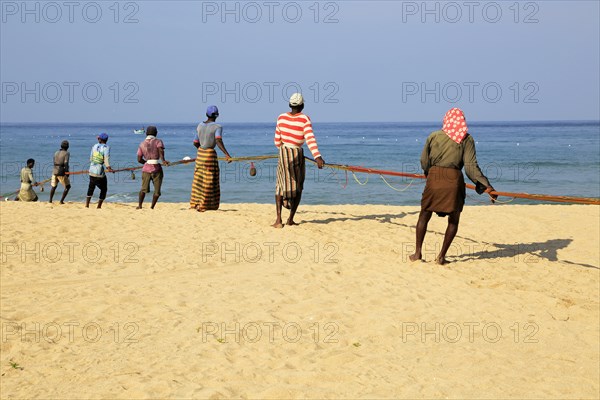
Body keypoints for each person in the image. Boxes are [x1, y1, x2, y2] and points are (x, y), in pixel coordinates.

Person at [409, 108, 498, 265]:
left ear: (446, 120)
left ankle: (417, 253)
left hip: (434, 179)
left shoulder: (433, 136)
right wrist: (486, 185)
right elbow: (471, 167)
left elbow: (424, 161)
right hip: (453, 181)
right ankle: (441, 257)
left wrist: (429, 174)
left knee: (424, 215)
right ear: (462, 121)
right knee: (453, 220)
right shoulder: (466, 139)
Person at [272, 93, 325, 228]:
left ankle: (278, 220)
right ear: (302, 105)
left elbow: (277, 141)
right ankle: (290, 219)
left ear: (290, 105)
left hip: (283, 152)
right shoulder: (304, 119)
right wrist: (317, 157)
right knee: (298, 186)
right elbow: (310, 139)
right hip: (296, 153)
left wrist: (284, 148)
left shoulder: (281, 117)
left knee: (280, 184)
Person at [190, 105, 232, 212]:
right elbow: (218, 140)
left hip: (200, 154)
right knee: (209, 180)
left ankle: (195, 203)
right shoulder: (217, 127)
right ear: (217, 115)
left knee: (198, 179)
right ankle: (204, 205)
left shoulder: (199, 125)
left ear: (206, 114)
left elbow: (195, 142)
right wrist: (227, 154)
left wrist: (201, 149)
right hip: (209, 155)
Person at [136, 126, 169, 209]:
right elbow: (161, 150)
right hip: (157, 168)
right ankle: (152, 207)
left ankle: (140, 206)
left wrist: (146, 163)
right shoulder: (158, 141)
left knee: (143, 189)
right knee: (157, 191)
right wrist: (163, 160)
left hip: (146, 169)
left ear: (146, 133)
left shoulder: (142, 144)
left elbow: (139, 159)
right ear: (156, 133)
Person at [85, 133, 113, 209]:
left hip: (91, 170)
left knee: (91, 187)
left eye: (98, 138)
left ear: (100, 139)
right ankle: (99, 206)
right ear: (106, 140)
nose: (97, 139)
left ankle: (87, 205)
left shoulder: (94, 146)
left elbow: (90, 158)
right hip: (99, 172)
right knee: (104, 189)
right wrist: (108, 167)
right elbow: (106, 159)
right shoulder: (106, 147)